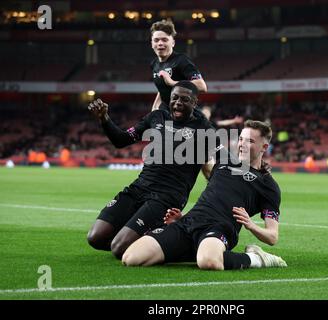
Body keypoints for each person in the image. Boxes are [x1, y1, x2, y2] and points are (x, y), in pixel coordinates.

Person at [122, 120, 287, 270]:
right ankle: (195, 248)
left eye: (250, 141)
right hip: (189, 222)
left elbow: (272, 236)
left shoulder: (268, 186)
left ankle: (257, 258)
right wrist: (182, 217)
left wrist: (251, 224)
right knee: (131, 257)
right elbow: (214, 195)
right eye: (241, 139)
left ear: (264, 147)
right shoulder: (223, 160)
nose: (242, 144)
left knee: (209, 262)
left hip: (219, 228)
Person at [87, 81, 218, 259]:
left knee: (119, 248)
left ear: (195, 103)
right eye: (175, 98)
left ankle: (171, 237)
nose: (178, 102)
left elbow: (216, 164)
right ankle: (154, 233)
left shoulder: (204, 129)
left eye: (185, 99)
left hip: (167, 197)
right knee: (96, 238)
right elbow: (122, 140)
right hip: (139, 188)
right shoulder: (157, 117)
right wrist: (104, 119)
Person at [150, 19, 207, 111]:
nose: (160, 43)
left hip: (185, 116)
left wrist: (172, 83)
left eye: (165, 40)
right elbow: (163, 89)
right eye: (156, 40)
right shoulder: (154, 64)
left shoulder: (181, 60)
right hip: (169, 114)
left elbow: (202, 86)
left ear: (172, 43)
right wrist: (155, 108)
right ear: (152, 44)